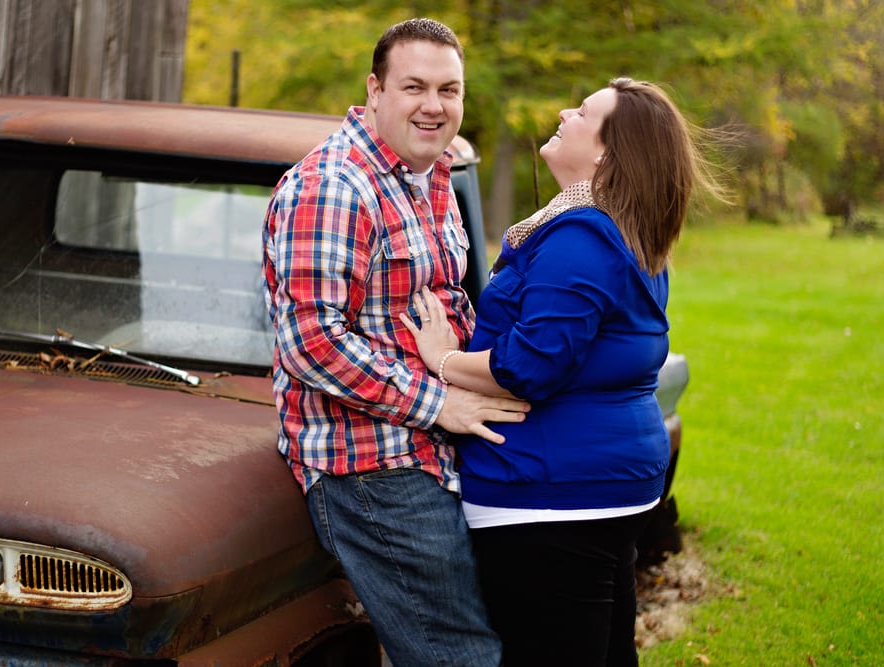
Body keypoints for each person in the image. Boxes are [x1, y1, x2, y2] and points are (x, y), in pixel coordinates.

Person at [401, 77, 726, 666]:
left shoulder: (579, 237)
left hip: (550, 499)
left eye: (582, 112)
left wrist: (441, 359)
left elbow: (532, 365)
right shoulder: (624, 234)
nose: (562, 111)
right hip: (601, 491)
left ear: (606, 153)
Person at [262, 18, 529, 667]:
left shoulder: (428, 175)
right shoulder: (335, 186)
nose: (434, 105)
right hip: (373, 465)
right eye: (414, 86)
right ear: (374, 89)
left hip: (433, 450)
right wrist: (441, 403)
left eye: (449, 89)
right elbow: (310, 339)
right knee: (458, 656)